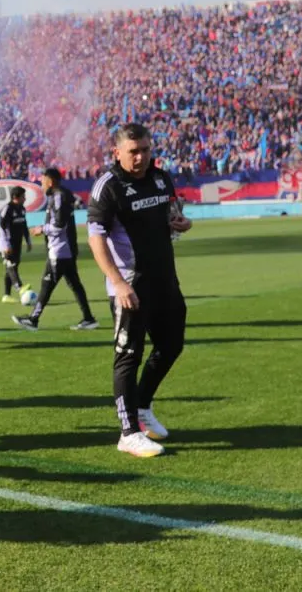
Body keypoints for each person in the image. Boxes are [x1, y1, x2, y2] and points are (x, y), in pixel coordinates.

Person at [86, 123, 193, 458]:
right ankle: (128, 432)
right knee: (128, 356)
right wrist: (117, 282)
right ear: (117, 152)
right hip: (130, 284)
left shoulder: (161, 178)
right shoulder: (109, 186)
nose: (141, 157)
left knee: (171, 345)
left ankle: (142, 407)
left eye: (145, 150)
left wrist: (182, 222)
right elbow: (95, 237)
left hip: (165, 279)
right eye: (134, 151)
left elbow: (172, 213)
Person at [12, 168, 98, 332]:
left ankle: (33, 319)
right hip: (65, 249)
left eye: (43, 181)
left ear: (50, 181)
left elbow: (59, 226)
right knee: (74, 284)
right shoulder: (59, 195)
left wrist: (41, 229)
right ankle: (88, 318)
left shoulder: (59, 196)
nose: (41, 184)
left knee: (47, 284)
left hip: (60, 250)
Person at [0, 186, 32, 304]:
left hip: (17, 242)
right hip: (7, 243)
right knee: (10, 264)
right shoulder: (8, 208)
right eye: (23, 196)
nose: (25, 198)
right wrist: (5, 244)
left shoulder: (22, 209)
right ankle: (19, 287)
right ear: (16, 197)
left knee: (12, 267)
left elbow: (24, 225)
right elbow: (1, 226)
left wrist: (28, 241)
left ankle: (6, 295)